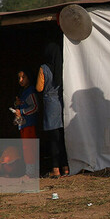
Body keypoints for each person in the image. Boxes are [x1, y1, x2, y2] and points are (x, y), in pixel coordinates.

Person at [36, 42, 69, 178]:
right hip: (61, 103)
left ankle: (55, 170)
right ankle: (66, 167)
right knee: (61, 138)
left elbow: (39, 88)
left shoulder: (44, 68)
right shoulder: (63, 68)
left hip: (50, 105)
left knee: (53, 138)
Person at [13, 68, 40, 178]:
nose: (21, 80)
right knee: (26, 147)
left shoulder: (31, 91)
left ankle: (31, 172)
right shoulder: (23, 92)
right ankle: (29, 170)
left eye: (23, 77)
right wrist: (17, 104)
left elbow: (35, 107)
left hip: (29, 124)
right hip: (23, 124)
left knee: (29, 147)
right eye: (19, 78)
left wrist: (22, 111)